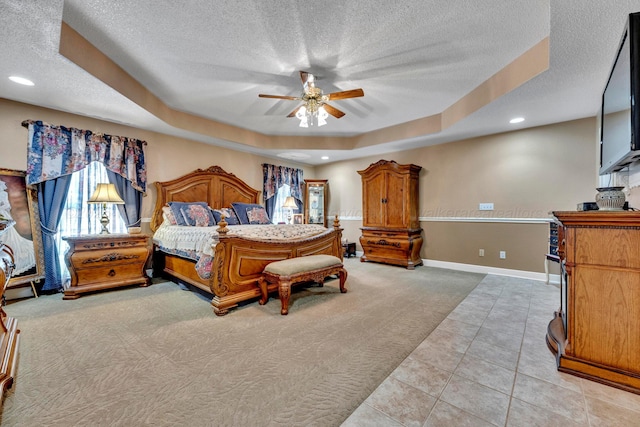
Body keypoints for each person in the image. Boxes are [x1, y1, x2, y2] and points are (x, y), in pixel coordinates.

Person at [0, 180, 36, 275]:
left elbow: (6, 207)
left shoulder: (1, 190)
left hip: (3, 216)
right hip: (3, 215)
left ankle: (6, 263)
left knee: (9, 240)